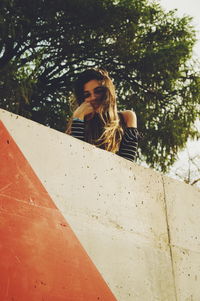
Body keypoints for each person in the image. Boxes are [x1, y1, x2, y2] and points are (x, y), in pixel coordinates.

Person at [66, 68, 139, 162]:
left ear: (107, 92)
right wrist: (78, 118)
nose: (93, 98)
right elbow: (74, 158)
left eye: (98, 91)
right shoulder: (80, 120)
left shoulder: (127, 118)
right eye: (87, 95)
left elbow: (128, 163)